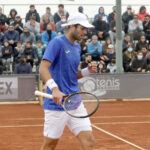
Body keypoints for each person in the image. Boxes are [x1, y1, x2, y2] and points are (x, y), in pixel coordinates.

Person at [39, 12, 97, 150]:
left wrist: (87, 71)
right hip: (56, 104)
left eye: (86, 29)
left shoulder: (77, 48)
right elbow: (43, 68)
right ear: (72, 26)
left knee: (88, 141)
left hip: (75, 102)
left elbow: (72, 75)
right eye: (82, 28)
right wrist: (54, 89)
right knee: (50, 145)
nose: (85, 32)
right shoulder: (57, 42)